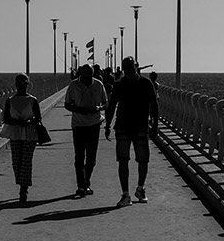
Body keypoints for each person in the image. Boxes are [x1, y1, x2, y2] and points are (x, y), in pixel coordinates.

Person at [104, 57, 159, 205]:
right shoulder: (119, 85)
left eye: (130, 66)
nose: (128, 70)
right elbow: (112, 105)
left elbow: (154, 105)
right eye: (125, 67)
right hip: (122, 126)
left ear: (136, 66)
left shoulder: (146, 83)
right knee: (123, 160)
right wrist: (107, 125)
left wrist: (155, 126)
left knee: (143, 159)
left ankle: (140, 188)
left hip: (141, 126)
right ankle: (125, 194)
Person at [64, 63, 107, 197]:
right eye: (85, 77)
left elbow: (105, 102)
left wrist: (98, 108)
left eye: (90, 77)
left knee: (91, 159)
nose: (87, 80)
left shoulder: (98, 84)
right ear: (81, 75)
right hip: (79, 125)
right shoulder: (73, 85)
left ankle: (86, 182)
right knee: (79, 157)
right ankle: (81, 186)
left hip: (94, 124)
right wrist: (78, 110)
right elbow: (67, 104)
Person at [0, 73, 43, 202]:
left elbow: (38, 117)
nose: (22, 86)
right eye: (19, 84)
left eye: (24, 84)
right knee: (16, 161)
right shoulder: (10, 100)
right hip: (15, 133)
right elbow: (6, 118)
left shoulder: (33, 100)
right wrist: (17, 122)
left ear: (27, 85)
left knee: (26, 161)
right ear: (16, 85)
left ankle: (23, 189)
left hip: (29, 133)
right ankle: (21, 182)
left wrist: (29, 122)